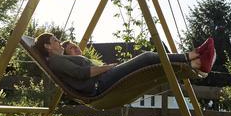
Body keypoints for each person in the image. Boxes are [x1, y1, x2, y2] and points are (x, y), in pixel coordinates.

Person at [32, 33, 215, 97]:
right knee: (146, 58)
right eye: (55, 40)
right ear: (47, 46)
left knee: (146, 61)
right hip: (100, 83)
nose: (58, 42)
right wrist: (106, 68)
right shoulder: (56, 60)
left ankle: (197, 60)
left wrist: (106, 67)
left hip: (102, 79)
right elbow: (81, 74)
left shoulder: (59, 59)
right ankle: (195, 57)